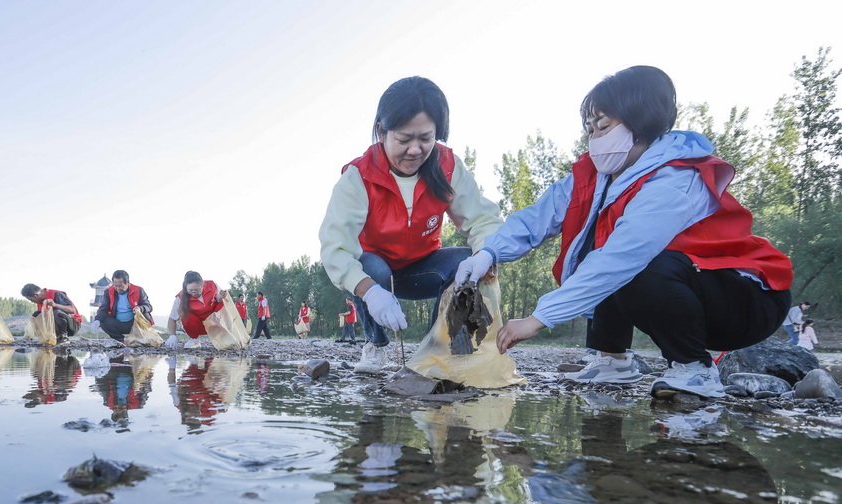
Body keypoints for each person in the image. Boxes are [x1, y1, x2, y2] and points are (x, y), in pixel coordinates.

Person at [460, 66, 793, 399]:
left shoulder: (676, 178)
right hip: (690, 286)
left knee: (632, 264)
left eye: (604, 126)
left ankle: (694, 369)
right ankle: (611, 358)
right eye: (590, 129)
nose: (595, 138)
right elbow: (535, 218)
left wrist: (538, 318)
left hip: (744, 300)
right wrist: (488, 252)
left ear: (641, 122)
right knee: (596, 246)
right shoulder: (593, 179)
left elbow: (623, 256)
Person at [320, 76, 503, 374]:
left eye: (426, 139)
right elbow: (335, 250)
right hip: (376, 276)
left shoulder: (448, 167)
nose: (415, 150)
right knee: (371, 266)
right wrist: (369, 291)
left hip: (423, 270)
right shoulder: (358, 177)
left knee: (464, 259)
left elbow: (483, 221)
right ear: (381, 131)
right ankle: (376, 345)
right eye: (404, 139)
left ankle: (437, 350)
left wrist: (485, 255)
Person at [164, 271, 226, 348]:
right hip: (198, 325)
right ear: (185, 287)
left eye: (197, 290)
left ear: (202, 285)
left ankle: (226, 335)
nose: (194, 292)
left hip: (214, 322)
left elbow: (221, 297)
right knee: (186, 314)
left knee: (224, 301)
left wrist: (220, 298)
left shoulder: (213, 285)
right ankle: (194, 339)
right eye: (190, 290)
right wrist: (172, 336)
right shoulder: (181, 297)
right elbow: (172, 318)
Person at [92, 270, 154, 343]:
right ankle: (120, 340)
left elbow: (149, 306)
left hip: (134, 323)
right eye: (115, 285)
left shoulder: (138, 290)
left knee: (145, 315)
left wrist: (140, 308)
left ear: (127, 283)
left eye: (120, 286)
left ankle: (139, 339)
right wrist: (97, 319)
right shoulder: (108, 292)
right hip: (118, 323)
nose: (118, 288)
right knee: (102, 320)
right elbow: (103, 308)